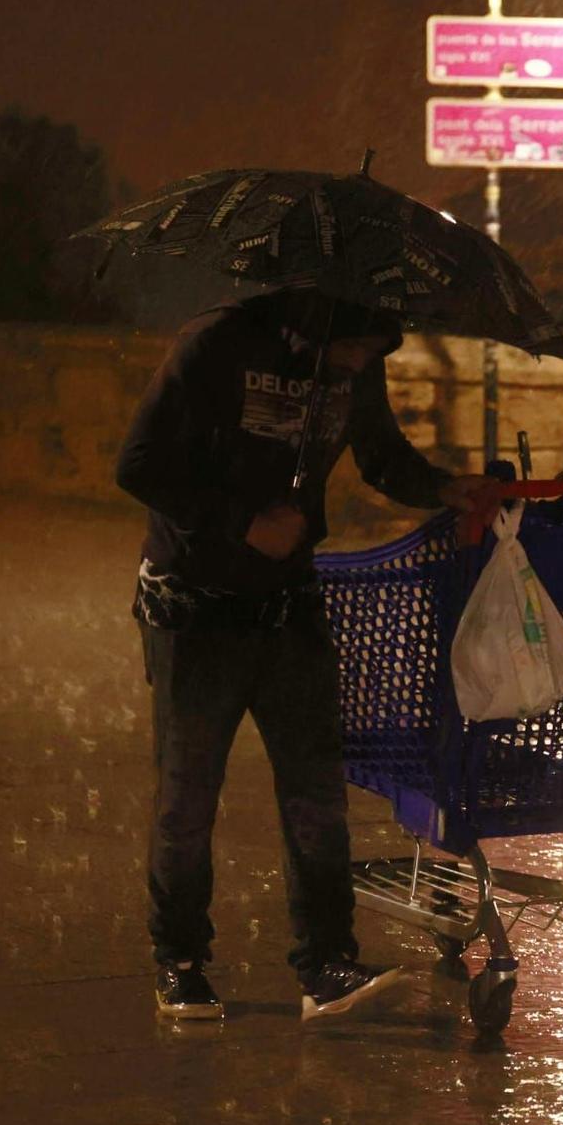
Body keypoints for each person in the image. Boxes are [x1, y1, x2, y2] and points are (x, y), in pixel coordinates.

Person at [116, 288, 492, 1021]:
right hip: (194, 605)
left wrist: (445, 488)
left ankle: (326, 962)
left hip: (289, 602)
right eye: (352, 351)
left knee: (316, 793)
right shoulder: (217, 343)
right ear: (315, 323)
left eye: (372, 356)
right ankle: (182, 961)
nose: (359, 368)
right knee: (187, 799)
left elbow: (380, 454)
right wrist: (240, 523)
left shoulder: (356, 356)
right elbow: (140, 463)